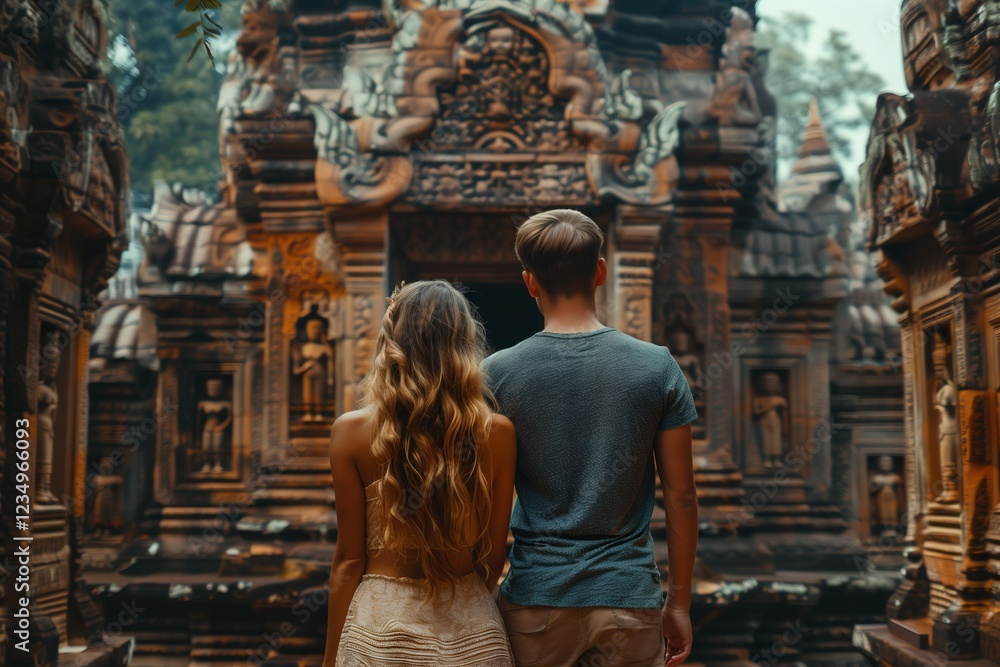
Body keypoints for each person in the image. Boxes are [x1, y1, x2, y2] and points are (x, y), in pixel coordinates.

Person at [483, 209, 699, 667]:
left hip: (534, 600)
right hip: (628, 597)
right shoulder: (656, 366)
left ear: (530, 282)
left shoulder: (497, 374)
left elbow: (482, 498)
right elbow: (681, 496)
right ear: (600, 272)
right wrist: (678, 603)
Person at [323, 280, 517, 667]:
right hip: (471, 634)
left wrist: (330, 658)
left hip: (378, 634)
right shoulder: (497, 434)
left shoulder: (349, 432)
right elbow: (494, 558)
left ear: (391, 342)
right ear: (464, 345)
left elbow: (348, 561)